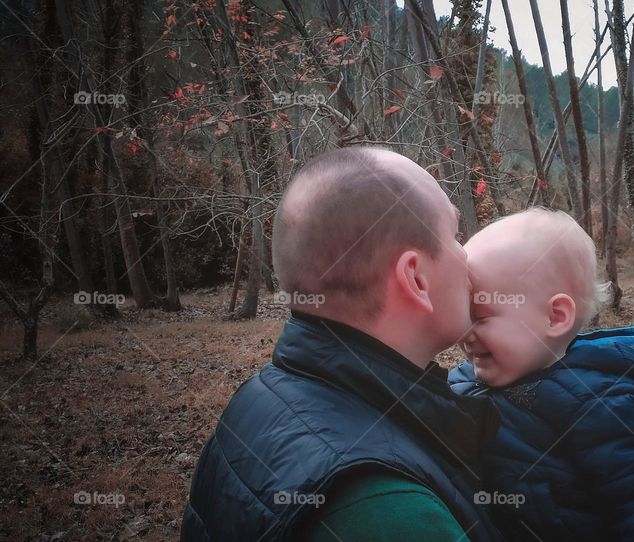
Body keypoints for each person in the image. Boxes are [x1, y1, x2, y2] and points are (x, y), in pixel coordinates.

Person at [181, 147, 502, 541]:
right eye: (454, 236)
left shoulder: (259, 398)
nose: (466, 255)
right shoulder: (387, 512)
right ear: (415, 278)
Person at [448, 208, 634, 541]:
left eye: (479, 315)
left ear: (555, 317)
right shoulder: (461, 382)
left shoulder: (601, 402)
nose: (463, 331)